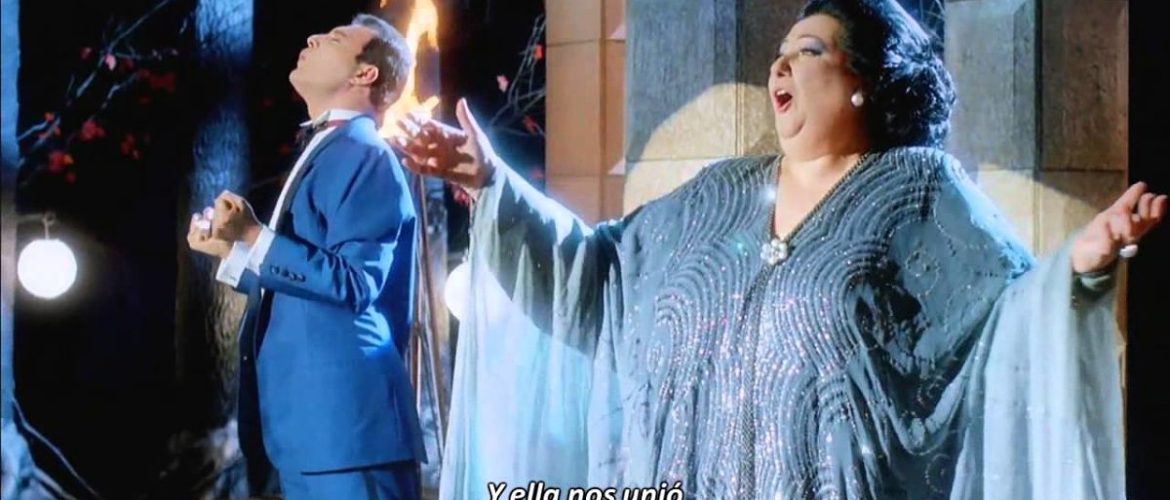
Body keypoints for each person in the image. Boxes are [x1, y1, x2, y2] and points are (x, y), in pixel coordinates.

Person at [397, 0, 1165, 498]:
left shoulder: (919, 191)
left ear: (867, 80)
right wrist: (489, 181)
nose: (780, 65)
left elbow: (1002, 321)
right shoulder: (716, 194)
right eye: (780, 53)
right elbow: (599, 279)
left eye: (810, 50)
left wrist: (1078, 266)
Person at [186, 13, 426, 500]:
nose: (313, 37)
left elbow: (355, 283)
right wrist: (233, 252)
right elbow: (309, 291)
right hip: (314, 436)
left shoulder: (365, 153)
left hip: (349, 437)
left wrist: (255, 234)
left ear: (365, 73)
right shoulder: (332, 147)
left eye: (335, 38)